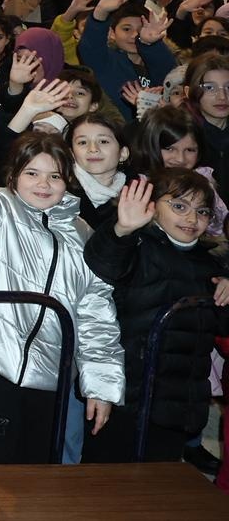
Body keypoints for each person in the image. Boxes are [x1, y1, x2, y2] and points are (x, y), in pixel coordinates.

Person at [0, 97, 125, 463]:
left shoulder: (81, 232)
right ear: (14, 175)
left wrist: (101, 384)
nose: (44, 183)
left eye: (54, 175)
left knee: (33, 470)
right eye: (32, 173)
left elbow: (96, 312)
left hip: (50, 374)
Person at [80, 170, 229, 462]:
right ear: (152, 206)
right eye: (179, 206)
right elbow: (102, 263)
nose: (190, 218)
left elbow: (220, 324)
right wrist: (121, 230)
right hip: (126, 398)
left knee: (157, 489)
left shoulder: (209, 265)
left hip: (178, 405)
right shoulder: (135, 245)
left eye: (201, 211)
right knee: (105, 485)